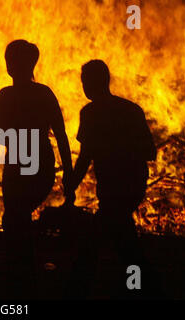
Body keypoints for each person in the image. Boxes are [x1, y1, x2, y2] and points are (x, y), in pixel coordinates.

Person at [0, 40, 74, 297]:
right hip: (27, 163)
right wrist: (68, 173)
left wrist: (69, 175)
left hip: (26, 165)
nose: (10, 64)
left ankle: (23, 281)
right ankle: (26, 279)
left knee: (16, 217)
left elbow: (4, 137)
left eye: (13, 60)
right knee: (16, 218)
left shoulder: (13, 95)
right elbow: (59, 134)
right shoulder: (40, 93)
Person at [70, 59, 157, 298]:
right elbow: (150, 151)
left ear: (95, 82)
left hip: (115, 188)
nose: (83, 86)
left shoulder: (90, 113)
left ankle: (83, 288)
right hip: (133, 185)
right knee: (120, 237)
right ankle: (139, 286)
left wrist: (72, 185)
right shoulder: (131, 109)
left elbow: (85, 156)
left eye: (85, 81)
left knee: (102, 238)